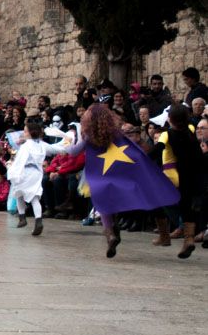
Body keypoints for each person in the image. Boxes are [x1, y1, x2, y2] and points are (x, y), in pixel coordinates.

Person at [67, 104, 178, 258]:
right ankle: (159, 232)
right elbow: (133, 150)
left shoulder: (88, 137)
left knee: (103, 202)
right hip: (120, 175)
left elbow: (73, 152)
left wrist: (72, 140)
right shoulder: (117, 134)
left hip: (100, 176)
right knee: (122, 198)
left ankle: (111, 233)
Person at [6, 119, 68, 236]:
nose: (23, 133)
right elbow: (56, 149)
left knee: (19, 193)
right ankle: (38, 220)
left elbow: (19, 161)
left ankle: (22, 217)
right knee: (34, 198)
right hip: (36, 173)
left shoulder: (25, 146)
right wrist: (68, 144)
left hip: (25, 172)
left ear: (30, 133)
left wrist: (13, 172)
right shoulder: (42, 144)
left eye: (25, 131)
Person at [161, 105, 207, 259]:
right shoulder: (191, 130)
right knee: (187, 207)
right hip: (194, 174)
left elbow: (157, 150)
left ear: (171, 119)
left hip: (178, 173)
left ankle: (167, 235)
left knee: (163, 202)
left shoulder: (168, 134)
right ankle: (189, 239)